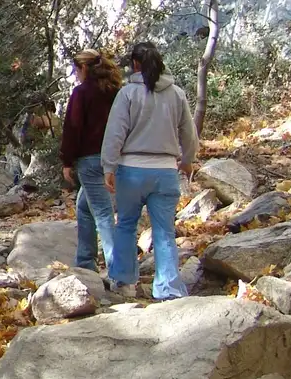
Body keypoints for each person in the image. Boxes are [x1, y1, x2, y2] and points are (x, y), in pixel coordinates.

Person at [101, 41, 199, 299]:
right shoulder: (176, 93)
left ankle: (124, 282)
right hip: (165, 171)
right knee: (164, 231)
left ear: (134, 64)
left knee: (126, 225)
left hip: (130, 170)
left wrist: (108, 167)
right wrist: (187, 159)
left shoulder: (127, 94)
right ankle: (167, 288)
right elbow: (189, 133)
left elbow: (115, 134)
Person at [60, 49, 124, 271]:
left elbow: (73, 128)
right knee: (84, 207)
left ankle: (120, 271)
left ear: (84, 68)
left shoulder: (81, 93)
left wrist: (67, 161)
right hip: (115, 157)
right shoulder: (116, 91)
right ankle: (86, 262)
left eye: (76, 70)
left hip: (90, 160)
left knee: (103, 214)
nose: (76, 74)